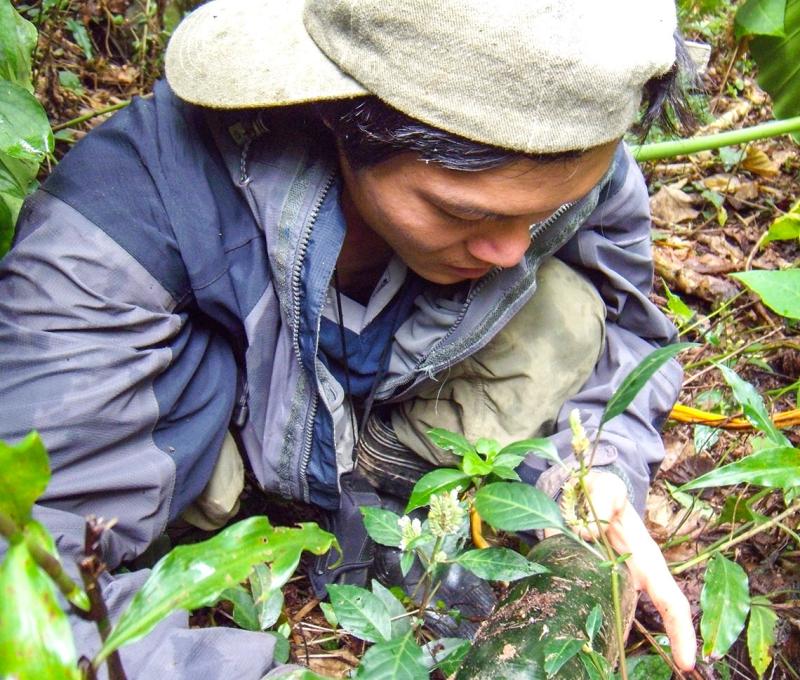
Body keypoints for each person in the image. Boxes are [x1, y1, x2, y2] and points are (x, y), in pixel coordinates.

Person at [0, 0, 697, 676]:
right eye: (462, 213)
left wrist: (599, 467)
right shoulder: (117, 228)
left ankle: (375, 485)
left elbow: (628, 327)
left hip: (399, 404)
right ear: (339, 121)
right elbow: (20, 580)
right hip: (225, 436)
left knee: (569, 309)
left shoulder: (565, 143)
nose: (512, 251)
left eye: (547, 210)